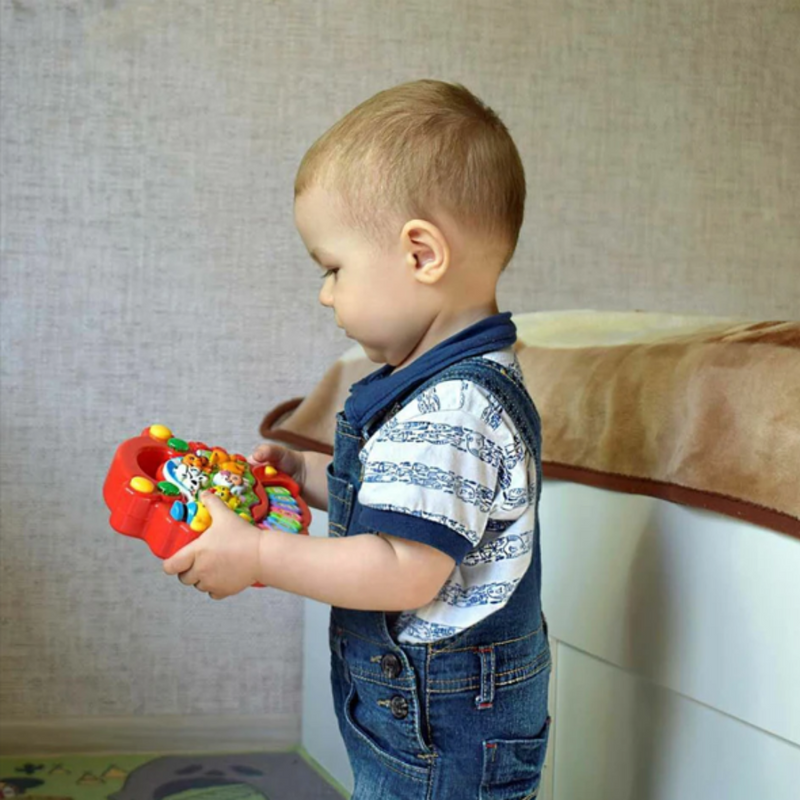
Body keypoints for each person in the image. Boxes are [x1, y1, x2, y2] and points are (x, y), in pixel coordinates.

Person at [164, 79, 551, 799]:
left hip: (447, 728)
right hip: (424, 713)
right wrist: (305, 474)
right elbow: (401, 504)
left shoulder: (458, 403)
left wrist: (260, 554)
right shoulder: (428, 386)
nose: (324, 293)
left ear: (420, 254)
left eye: (333, 268)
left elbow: (406, 568)